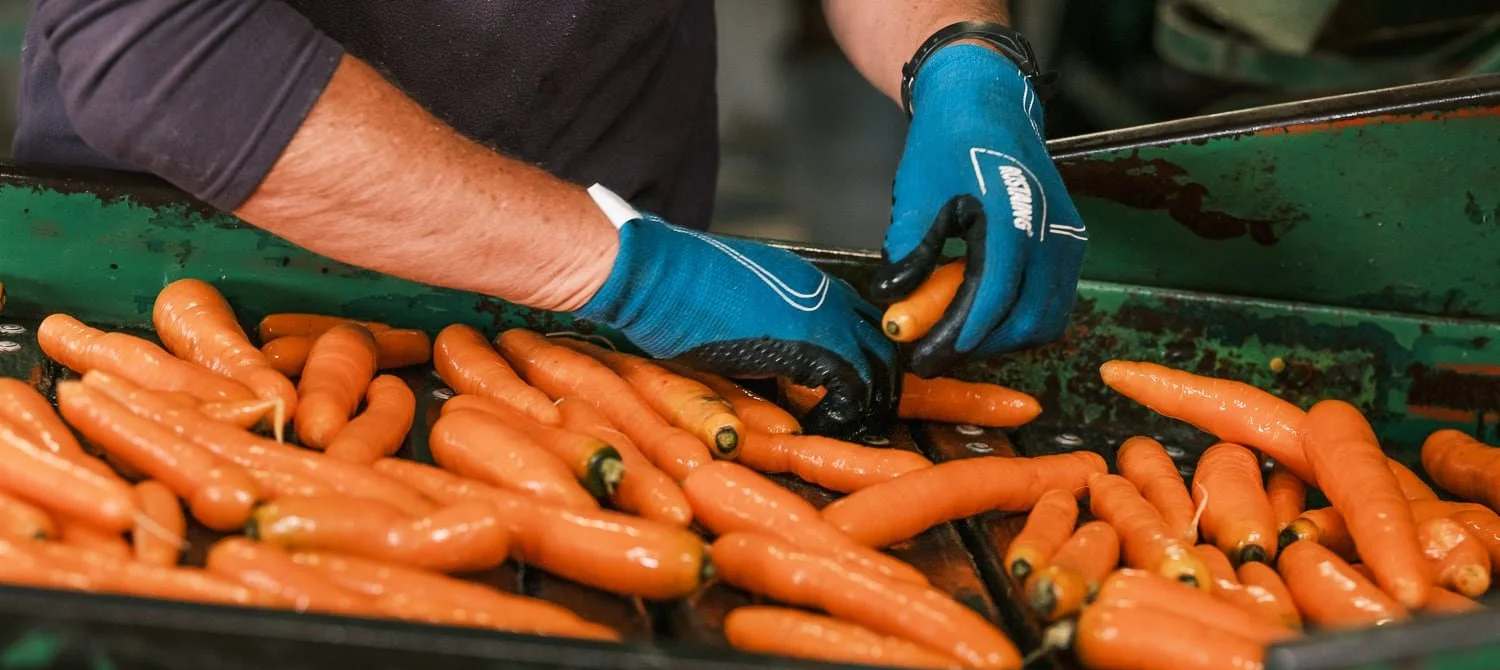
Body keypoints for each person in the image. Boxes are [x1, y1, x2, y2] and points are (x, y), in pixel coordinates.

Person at [14, 1, 1085, 438]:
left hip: (616, 322)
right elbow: (160, 50)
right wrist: (629, 270)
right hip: (186, 298)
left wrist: (962, 60)